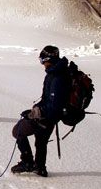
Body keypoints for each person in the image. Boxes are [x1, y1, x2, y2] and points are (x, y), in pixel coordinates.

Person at [10, 45, 70, 177]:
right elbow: (46, 99)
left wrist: (35, 113)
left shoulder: (57, 77)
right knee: (41, 141)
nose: (42, 64)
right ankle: (40, 167)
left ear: (49, 59)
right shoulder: (54, 73)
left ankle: (28, 162)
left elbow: (54, 107)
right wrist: (35, 108)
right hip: (50, 116)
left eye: (43, 60)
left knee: (18, 131)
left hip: (48, 117)